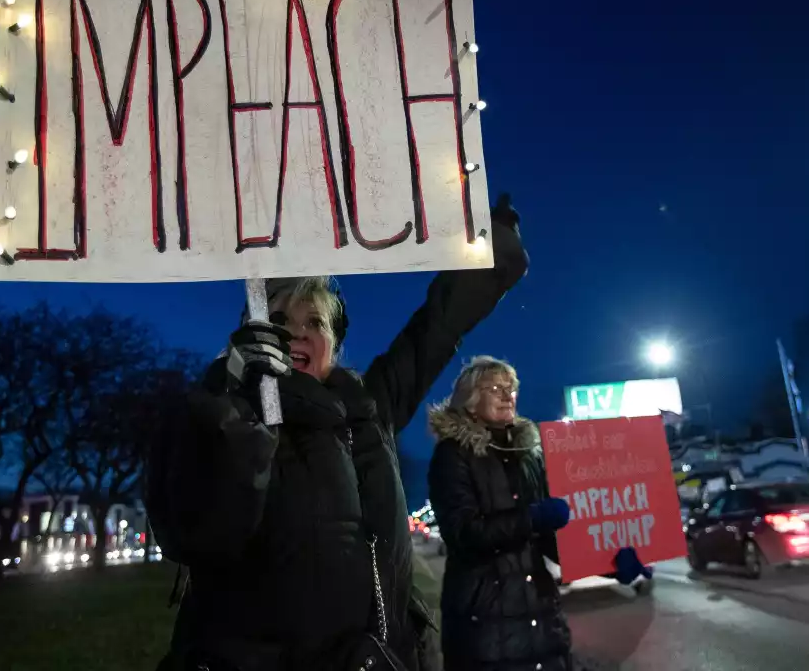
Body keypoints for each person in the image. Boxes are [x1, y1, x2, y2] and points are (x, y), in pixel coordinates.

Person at [148, 197, 529, 671]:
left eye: (315, 323)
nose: (296, 335)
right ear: (249, 335)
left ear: (335, 343)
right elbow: (200, 533)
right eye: (279, 322)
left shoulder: (370, 408)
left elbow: (438, 325)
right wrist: (237, 398)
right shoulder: (217, 414)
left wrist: (490, 251)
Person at [428, 357, 573, 671]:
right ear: (470, 399)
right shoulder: (452, 455)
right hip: (486, 632)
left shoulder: (528, 455)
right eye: (496, 388)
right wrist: (530, 518)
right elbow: (463, 532)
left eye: (512, 388)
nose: (508, 395)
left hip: (542, 625)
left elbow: (548, 541)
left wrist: (606, 561)